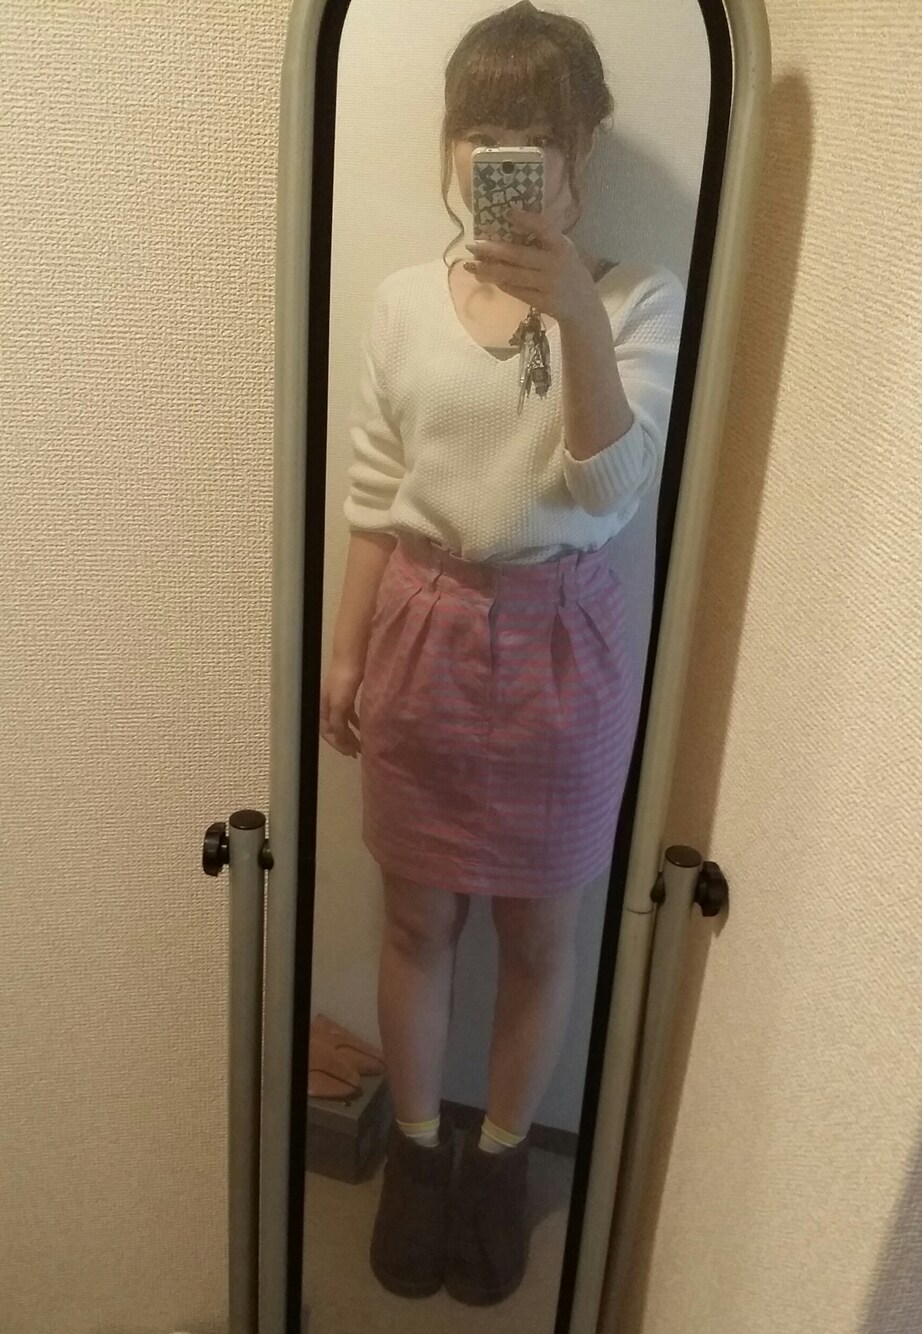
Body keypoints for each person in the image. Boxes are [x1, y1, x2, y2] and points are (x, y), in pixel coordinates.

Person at [319, 0, 684, 1307]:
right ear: (451, 149)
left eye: (533, 137)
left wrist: (574, 311)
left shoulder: (636, 298)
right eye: (481, 135)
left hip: (561, 645)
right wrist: (345, 654)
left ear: (581, 153)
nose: (503, 160)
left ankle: (503, 1157)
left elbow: (610, 491)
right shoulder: (400, 302)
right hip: (420, 624)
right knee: (418, 918)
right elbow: (377, 489)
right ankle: (421, 1158)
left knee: (538, 931)